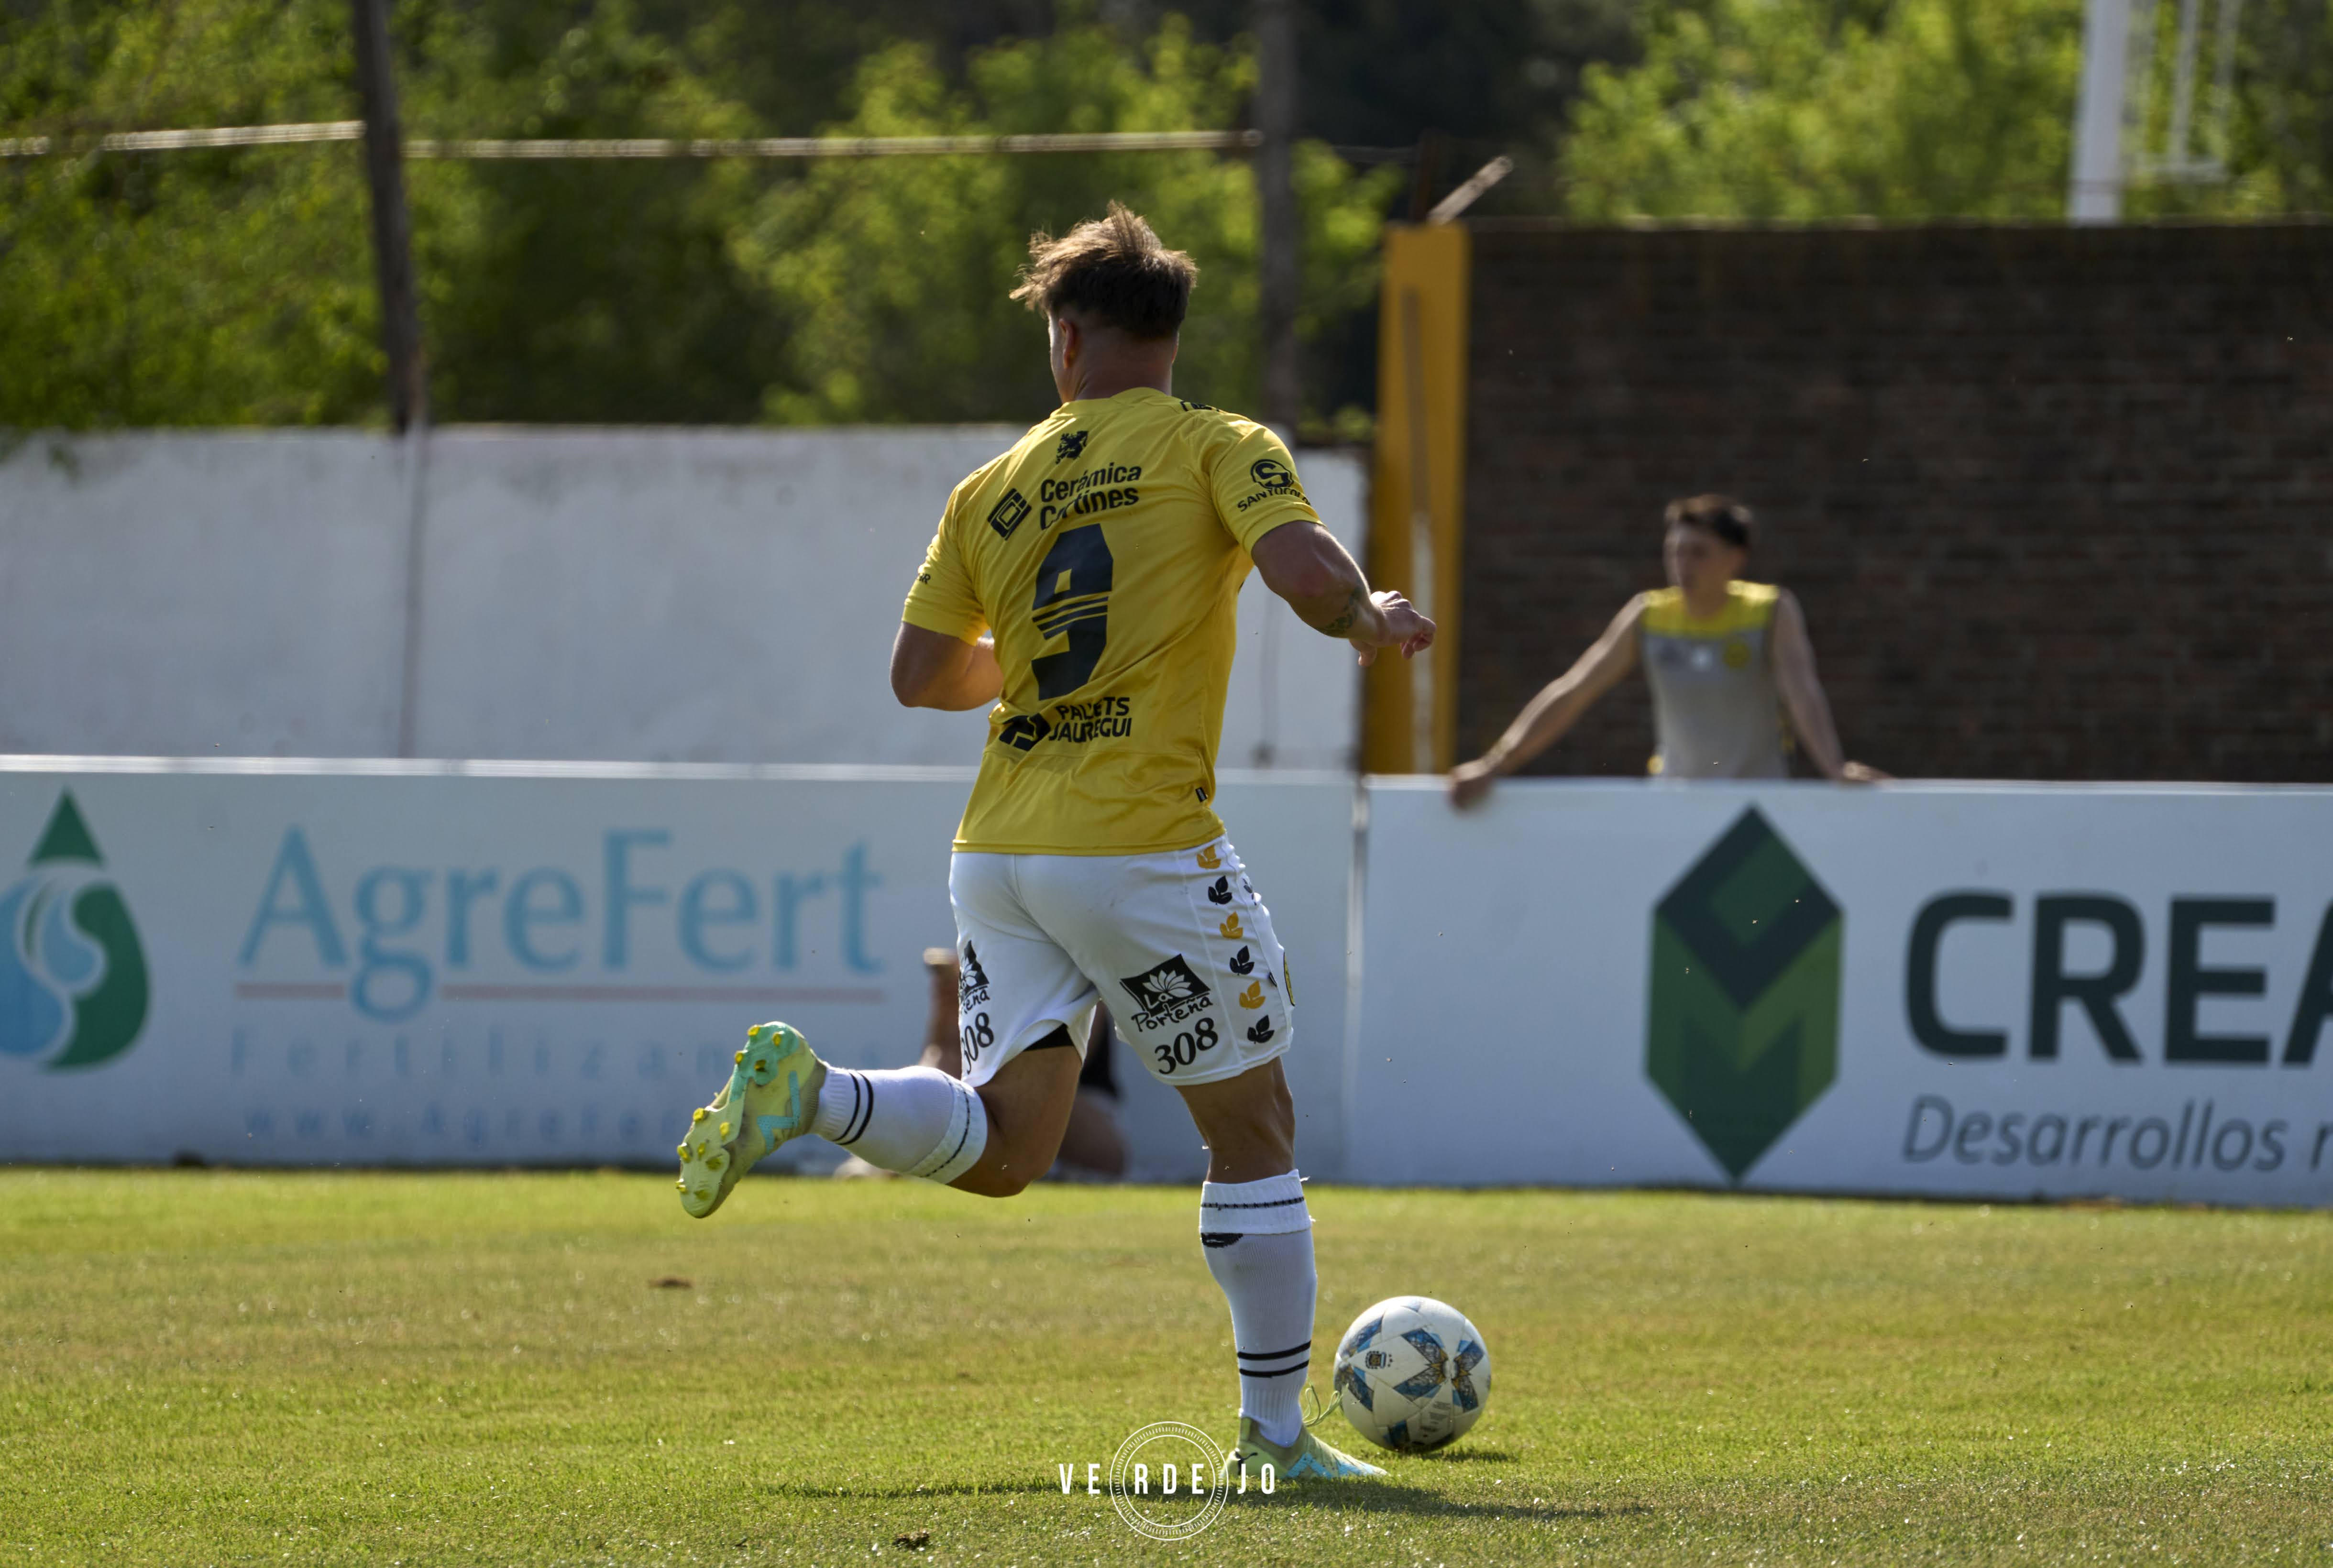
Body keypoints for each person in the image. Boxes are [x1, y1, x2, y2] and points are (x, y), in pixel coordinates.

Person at [671, 203, 1431, 1484]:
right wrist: (1366, 619)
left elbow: (919, 674)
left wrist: (1030, 667)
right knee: (1253, 1127)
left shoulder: (993, 486)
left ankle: (818, 1094)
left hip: (1000, 847)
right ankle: (1275, 1438)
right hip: (1136, 843)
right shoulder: (1216, 442)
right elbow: (1299, 565)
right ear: (1166, 337)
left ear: (1067, 343)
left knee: (1012, 1143)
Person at [1448, 494, 1882, 805]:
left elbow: (1802, 693)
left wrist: (1835, 768)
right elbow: (1574, 690)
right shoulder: (1648, 615)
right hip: (1674, 804)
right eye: (1675, 551)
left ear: (1737, 558)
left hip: (1759, 801)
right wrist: (1494, 764)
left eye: (1699, 553)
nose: (1683, 564)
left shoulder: (1771, 611)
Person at [833, 949, 1126, 1180]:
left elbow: (1073, 1060)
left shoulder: (1072, 964)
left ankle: (889, 1155)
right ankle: (886, 1157)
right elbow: (940, 1053)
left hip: (1073, 1105)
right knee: (947, 1057)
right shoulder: (984, 961)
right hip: (984, 1097)